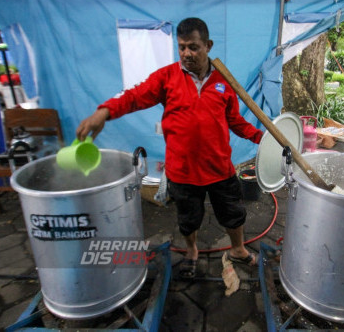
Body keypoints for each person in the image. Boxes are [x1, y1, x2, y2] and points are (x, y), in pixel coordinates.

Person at [76, 17, 263, 279]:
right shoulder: (167, 78)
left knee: (233, 214)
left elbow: (235, 120)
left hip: (219, 167)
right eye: (182, 47)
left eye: (194, 47)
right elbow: (134, 96)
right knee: (188, 219)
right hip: (183, 170)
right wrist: (104, 112)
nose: (187, 53)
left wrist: (261, 138)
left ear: (208, 45)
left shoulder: (223, 81)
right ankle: (191, 252)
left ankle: (238, 249)